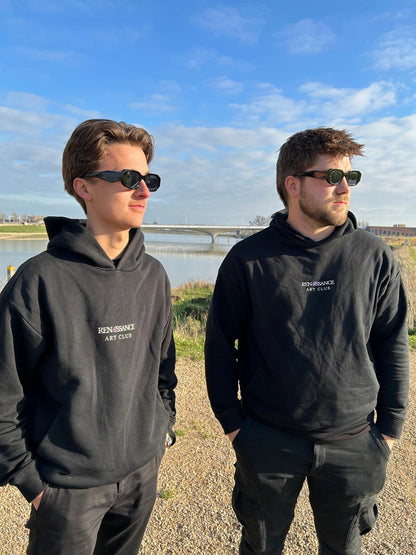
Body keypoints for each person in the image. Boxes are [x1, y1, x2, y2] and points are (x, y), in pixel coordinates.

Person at [205, 127, 409, 554]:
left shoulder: (374, 256)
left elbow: (392, 342)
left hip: (355, 442)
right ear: (292, 185)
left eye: (350, 177)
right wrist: (235, 427)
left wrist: (388, 431)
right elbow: (220, 346)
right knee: (260, 546)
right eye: (331, 176)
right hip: (267, 440)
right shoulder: (248, 259)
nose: (344, 188)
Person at [0, 119, 177, 554]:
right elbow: (4, 391)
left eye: (149, 179)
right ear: (83, 187)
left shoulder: (154, 276)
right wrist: (32, 483)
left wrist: (161, 431)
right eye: (129, 178)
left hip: (141, 477)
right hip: (66, 492)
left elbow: (163, 369)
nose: (144, 191)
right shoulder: (38, 280)